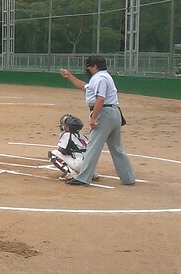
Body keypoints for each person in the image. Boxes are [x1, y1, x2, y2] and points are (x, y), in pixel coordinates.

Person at [58, 55, 135, 186]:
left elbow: (100, 98)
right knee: (117, 147)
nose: (88, 69)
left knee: (93, 147)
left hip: (104, 113)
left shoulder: (100, 78)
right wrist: (69, 76)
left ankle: (83, 178)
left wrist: (94, 118)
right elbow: (85, 87)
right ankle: (128, 178)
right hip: (112, 112)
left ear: (95, 67)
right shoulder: (102, 77)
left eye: (89, 66)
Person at [47, 114, 97, 180]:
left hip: (79, 164)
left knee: (53, 153)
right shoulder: (83, 136)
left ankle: (69, 172)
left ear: (68, 127)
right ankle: (90, 173)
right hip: (90, 165)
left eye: (65, 125)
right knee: (78, 154)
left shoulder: (67, 134)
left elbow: (63, 151)